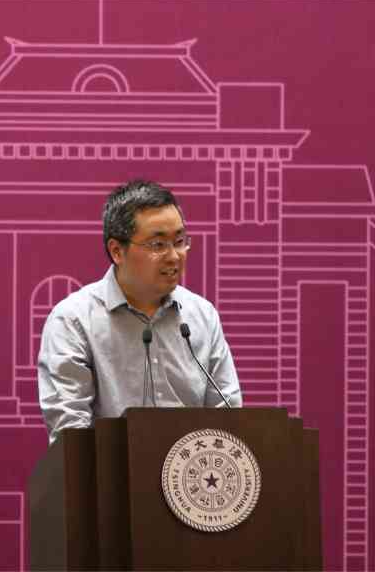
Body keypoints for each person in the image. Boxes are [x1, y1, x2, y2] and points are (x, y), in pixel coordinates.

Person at [37, 179, 242, 443]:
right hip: (110, 469)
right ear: (117, 251)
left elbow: (228, 418)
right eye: (158, 245)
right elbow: (71, 434)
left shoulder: (202, 316)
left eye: (180, 241)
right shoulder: (73, 321)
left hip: (193, 467)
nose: (174, 256)